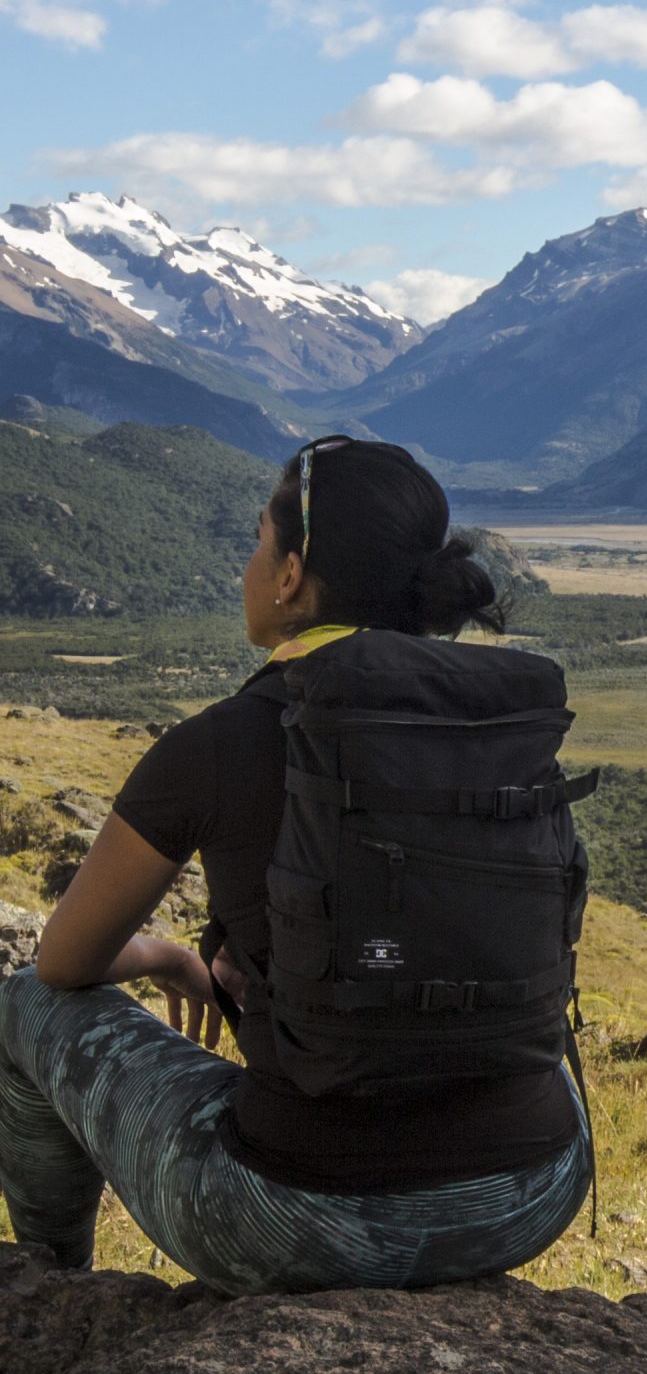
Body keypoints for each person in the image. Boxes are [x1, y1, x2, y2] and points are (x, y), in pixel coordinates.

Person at [0, 436, 591, 1292]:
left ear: (290, 576)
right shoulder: (491, 720)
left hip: (298, 1219)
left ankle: (49, 1284)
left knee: (22, 1003)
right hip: (532, 1189)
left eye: (258, 542)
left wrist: (165, 954)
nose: (250, 566)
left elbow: (64, 963)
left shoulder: (214, 743)